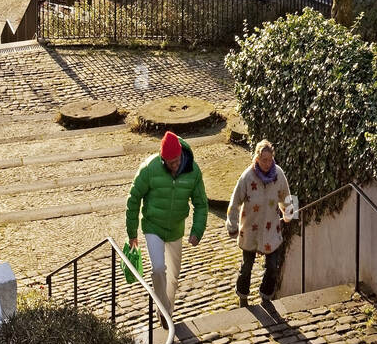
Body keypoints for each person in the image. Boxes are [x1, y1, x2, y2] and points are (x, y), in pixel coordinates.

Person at [125, 131, 208, 322]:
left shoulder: (193, 171)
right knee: (158, 269)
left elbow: (201, 204)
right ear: (163, 159)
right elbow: (133, 199)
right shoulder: (149, 169)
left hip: (176, 229)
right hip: (153, 226)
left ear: (181, 154)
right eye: (170, 162)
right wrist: (132, 233)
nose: (175, 165)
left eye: (177, 160)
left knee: (173, 276)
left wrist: (197, 231)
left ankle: (166, 308)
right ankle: (163, 308)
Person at [226, 140, 295, 308]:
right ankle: (243, 296)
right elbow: (234, 202)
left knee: (272, 267)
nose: (267, 163)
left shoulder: (278, 174)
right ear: (256, 158)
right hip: (250, 230)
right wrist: (232, 226)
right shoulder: (247, 177)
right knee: (246, 268)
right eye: (264, 160)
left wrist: (289, 214)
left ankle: (266, 296)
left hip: (271, 229)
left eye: (270, 160)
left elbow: (287, 195)